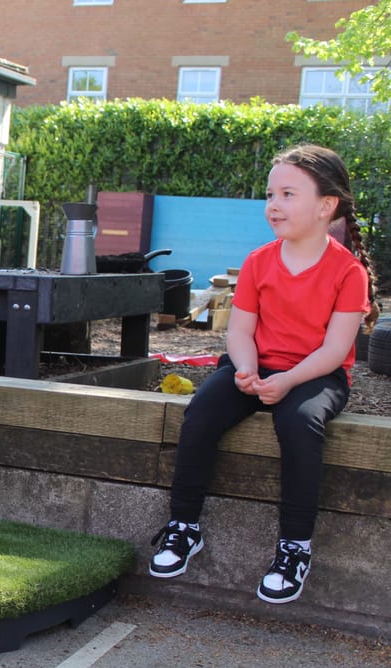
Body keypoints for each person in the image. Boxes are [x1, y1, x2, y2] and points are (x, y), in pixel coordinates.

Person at [149, 144, 379, 603]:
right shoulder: (257, 261)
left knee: (298, 423)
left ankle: (295, 547)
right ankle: (184, 526)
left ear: (326, 205)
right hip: (252, 366)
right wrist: (248, 372)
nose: (274, 204)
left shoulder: (347, 272)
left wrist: (289, 381)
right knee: (201, 414)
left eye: (288, 194)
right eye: (271, 194)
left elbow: (336, 350)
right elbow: (240, 332)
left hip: (316, 374)